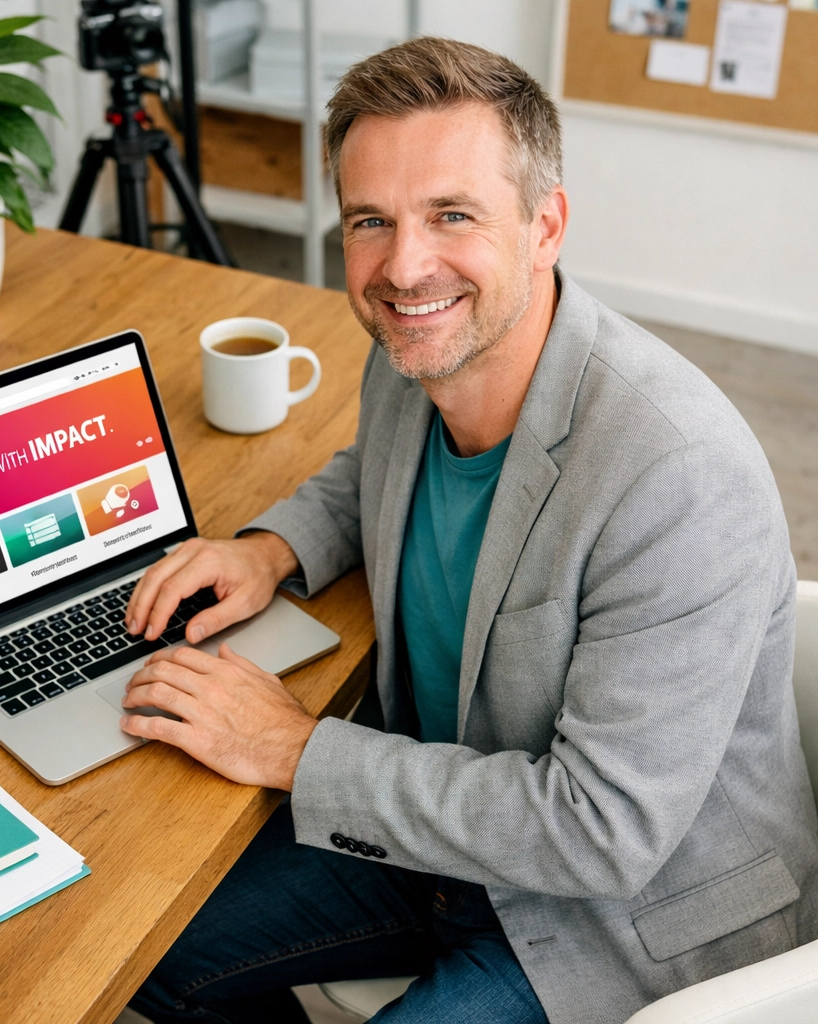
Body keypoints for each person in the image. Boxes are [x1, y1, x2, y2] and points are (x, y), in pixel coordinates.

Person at [121, 37, 818, 1024]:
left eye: (452, 214)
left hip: (626, 916)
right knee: (143, 944)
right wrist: (269, 549)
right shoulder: (417, 352)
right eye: (371, 220)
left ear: (545, 225)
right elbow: (376, 470)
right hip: (443, 837)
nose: (405, 266)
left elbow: (600, 831)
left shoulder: (676, 474)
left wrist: (292, 747)